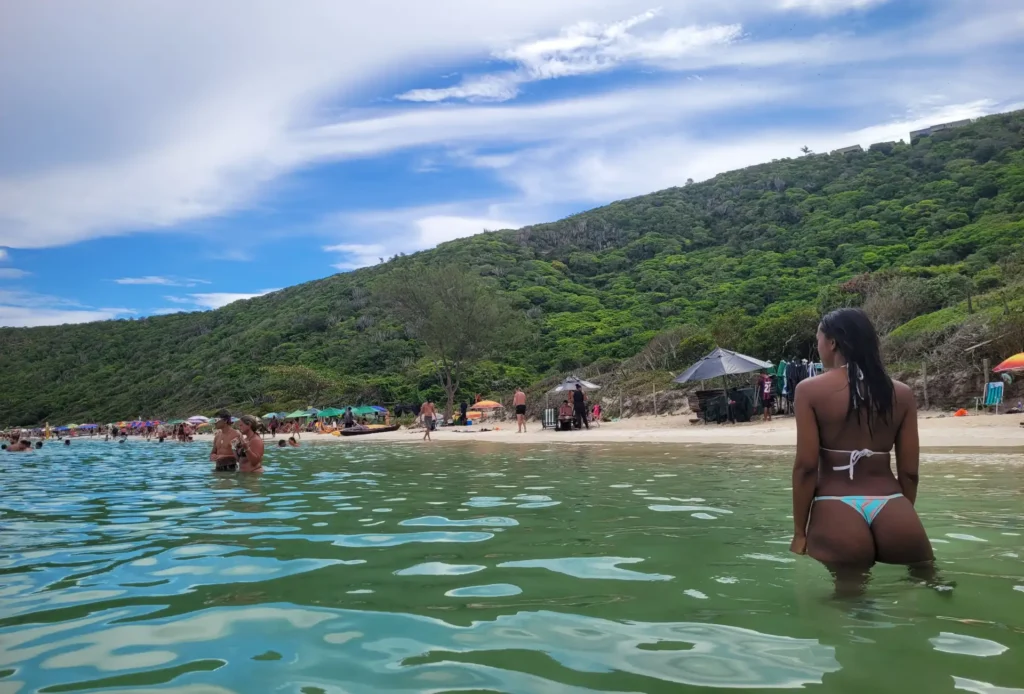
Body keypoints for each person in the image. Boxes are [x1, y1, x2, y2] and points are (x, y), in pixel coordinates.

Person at [790, 308, 934, 597]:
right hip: (894, 508)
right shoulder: (900, 393)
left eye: (818, 338)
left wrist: (800, 532)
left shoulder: (810, 390)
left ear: (831, 342)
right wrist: (901, 516)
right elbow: (910, 472)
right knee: (931, 589)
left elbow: (806, 467)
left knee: (850, 604)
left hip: (837, 507)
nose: (818, 346)